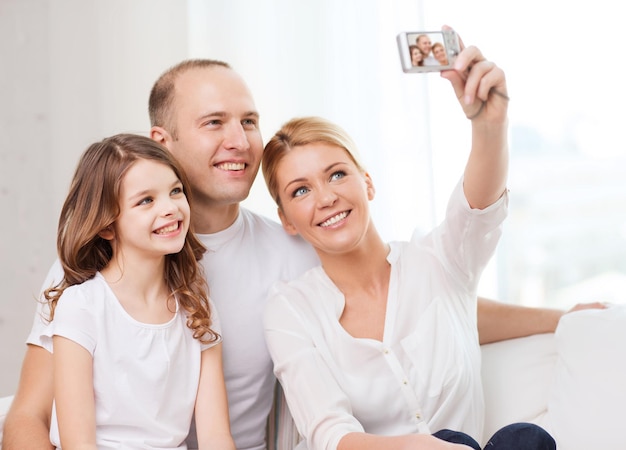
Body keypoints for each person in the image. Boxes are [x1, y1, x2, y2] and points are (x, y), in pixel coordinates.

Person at [3, 57, 602, 450]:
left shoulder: (292, 252)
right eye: (214, 122)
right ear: (164, 141)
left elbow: (422, 304)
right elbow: (27, 419)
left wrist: (564, 318)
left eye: (248, 120)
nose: (238, 141)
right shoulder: (95, 271)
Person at [260, 40, 556, 449]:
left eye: (337, 175)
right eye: (299, 191)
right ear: (286, 221)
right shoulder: (291, 309)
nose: (325, 198)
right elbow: (331, 434)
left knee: (524, 441)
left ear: (367, 182)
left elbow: (477, 210)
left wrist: (489, 126)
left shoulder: (439, 262)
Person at [39, 134, 235, 450]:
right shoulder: (82, 307)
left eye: (175, 191)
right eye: (146, 200)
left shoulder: (199, 309)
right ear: (106, 226)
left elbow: (216, 437)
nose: (170, 208)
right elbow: (79, 444)